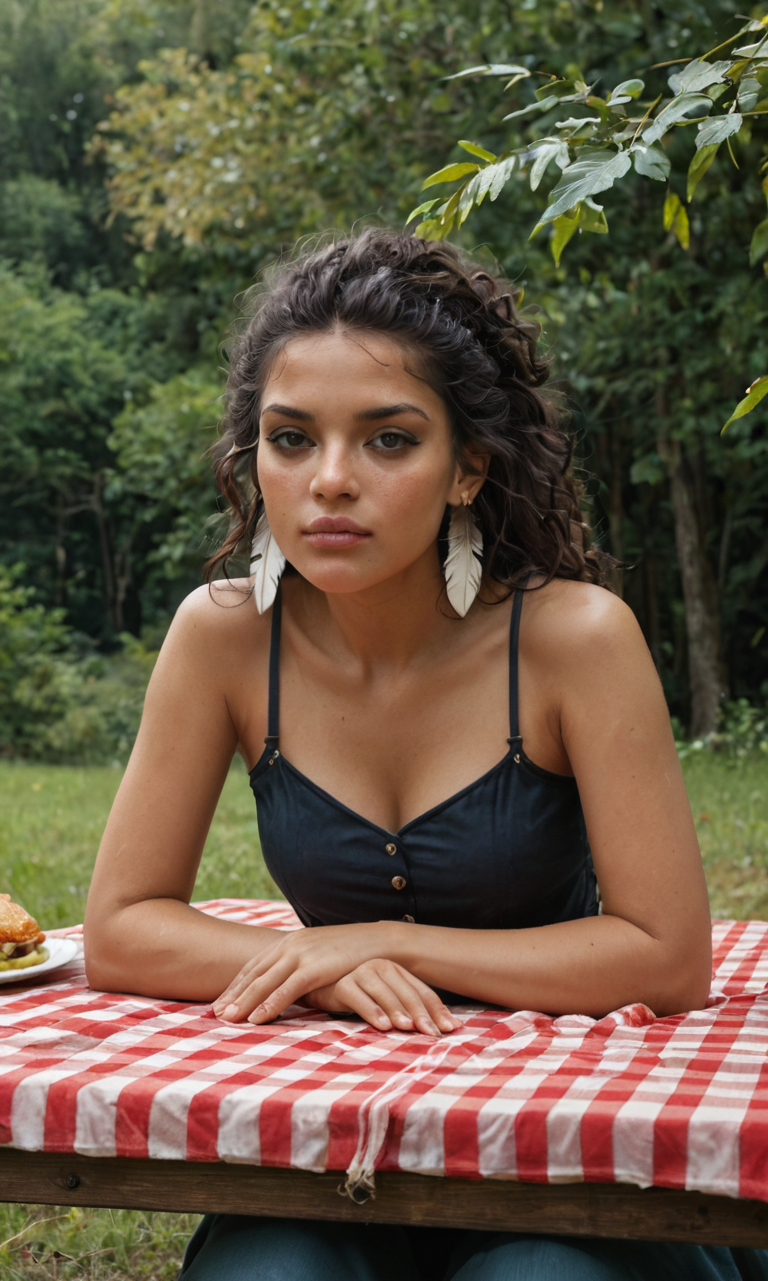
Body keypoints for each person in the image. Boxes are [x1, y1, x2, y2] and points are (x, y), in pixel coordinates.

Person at [84, 230, 763, 1280]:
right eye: (292, 439)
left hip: (575, 1149)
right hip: (341, 1146)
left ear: (467, 468)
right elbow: (123, 928)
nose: (331, 481)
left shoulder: (572, 640)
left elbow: (665, 957)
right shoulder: (223, 637)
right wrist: (321, 969)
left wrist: (374, 944)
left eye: (389, 440)